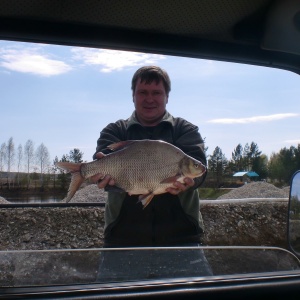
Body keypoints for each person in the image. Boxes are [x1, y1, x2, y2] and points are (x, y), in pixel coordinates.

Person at [92, 66, 212, 280]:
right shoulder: (114, 131)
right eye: (143, 92)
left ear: (167, 97)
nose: (149, 99)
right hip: (121, 241)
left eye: (156, 93)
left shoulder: (185, 130)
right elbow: (101, 167)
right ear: (133, 96)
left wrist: (191, 182)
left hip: (182, 240)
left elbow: (200, 168)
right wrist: (103, 178)